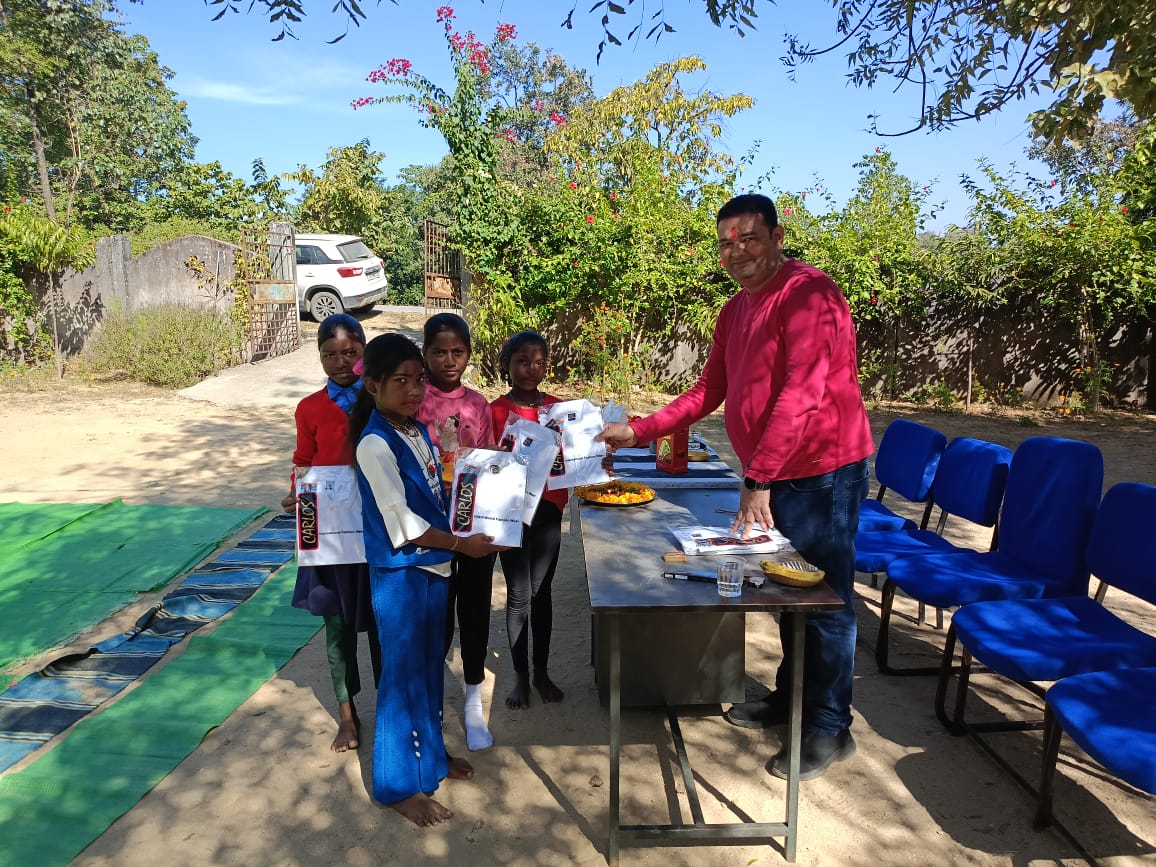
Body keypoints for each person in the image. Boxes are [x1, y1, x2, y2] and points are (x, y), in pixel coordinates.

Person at [598, 193, 875, 781]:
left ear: (777, 237)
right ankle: (788, 698)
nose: (737, 252)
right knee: (785, 596)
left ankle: (830, 726)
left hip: (822, 474)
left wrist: (757, 479)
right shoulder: (735, 310)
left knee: (824, 603)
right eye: (726, 243)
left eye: (749, 239)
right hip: (777, 475)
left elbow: (802, 393)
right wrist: (638, 430)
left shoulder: (810, 295)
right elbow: (707, 393)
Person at [348, 333, 506, 827]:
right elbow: (403, 524)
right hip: (401, 576)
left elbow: (433, 493)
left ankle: (431, 760)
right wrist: (464, 545)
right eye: (401, 381)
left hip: (433, 570)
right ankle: (397, 786)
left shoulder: (415, 430)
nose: (415, 390)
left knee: (429, 668)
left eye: (418, 380)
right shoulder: (374, 443)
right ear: (372, 384)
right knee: (400, 677)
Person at [284, 313, 381, 754]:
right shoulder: (309, 408)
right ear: (318, 357)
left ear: (364, 353)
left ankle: (390, 707)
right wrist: (296, 495)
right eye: (330, 355)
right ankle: (347, 713)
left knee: (382, 622)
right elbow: (303, 461)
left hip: (375, 529)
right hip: (330, 534)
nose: (342, 362)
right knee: (336, 626)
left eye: (351, 353)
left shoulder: (381, 400)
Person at [415, 313, 497, 752]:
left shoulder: (479, 405)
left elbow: (488, 467)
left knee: (475, 613)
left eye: (458, 352)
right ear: (424, 353)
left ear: (468, 354)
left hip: (475, 525)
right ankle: (434, 711)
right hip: (431, 529)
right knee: (436, 618)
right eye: (439, 352)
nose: (449, 360)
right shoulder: (413, 398)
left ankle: (471, 703)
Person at [490, 331, 568, 710]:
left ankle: (541, 670)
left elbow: (573, 462)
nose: (530, 369)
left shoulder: (558, 411)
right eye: (522, 361)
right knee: (519, 594)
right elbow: (484, 463)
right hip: (510, 514)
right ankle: (520, 675)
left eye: (539, 362)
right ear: (507, 363)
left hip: (549, 512)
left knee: (543, 592)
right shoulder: (494, 411)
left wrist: (598, 460)